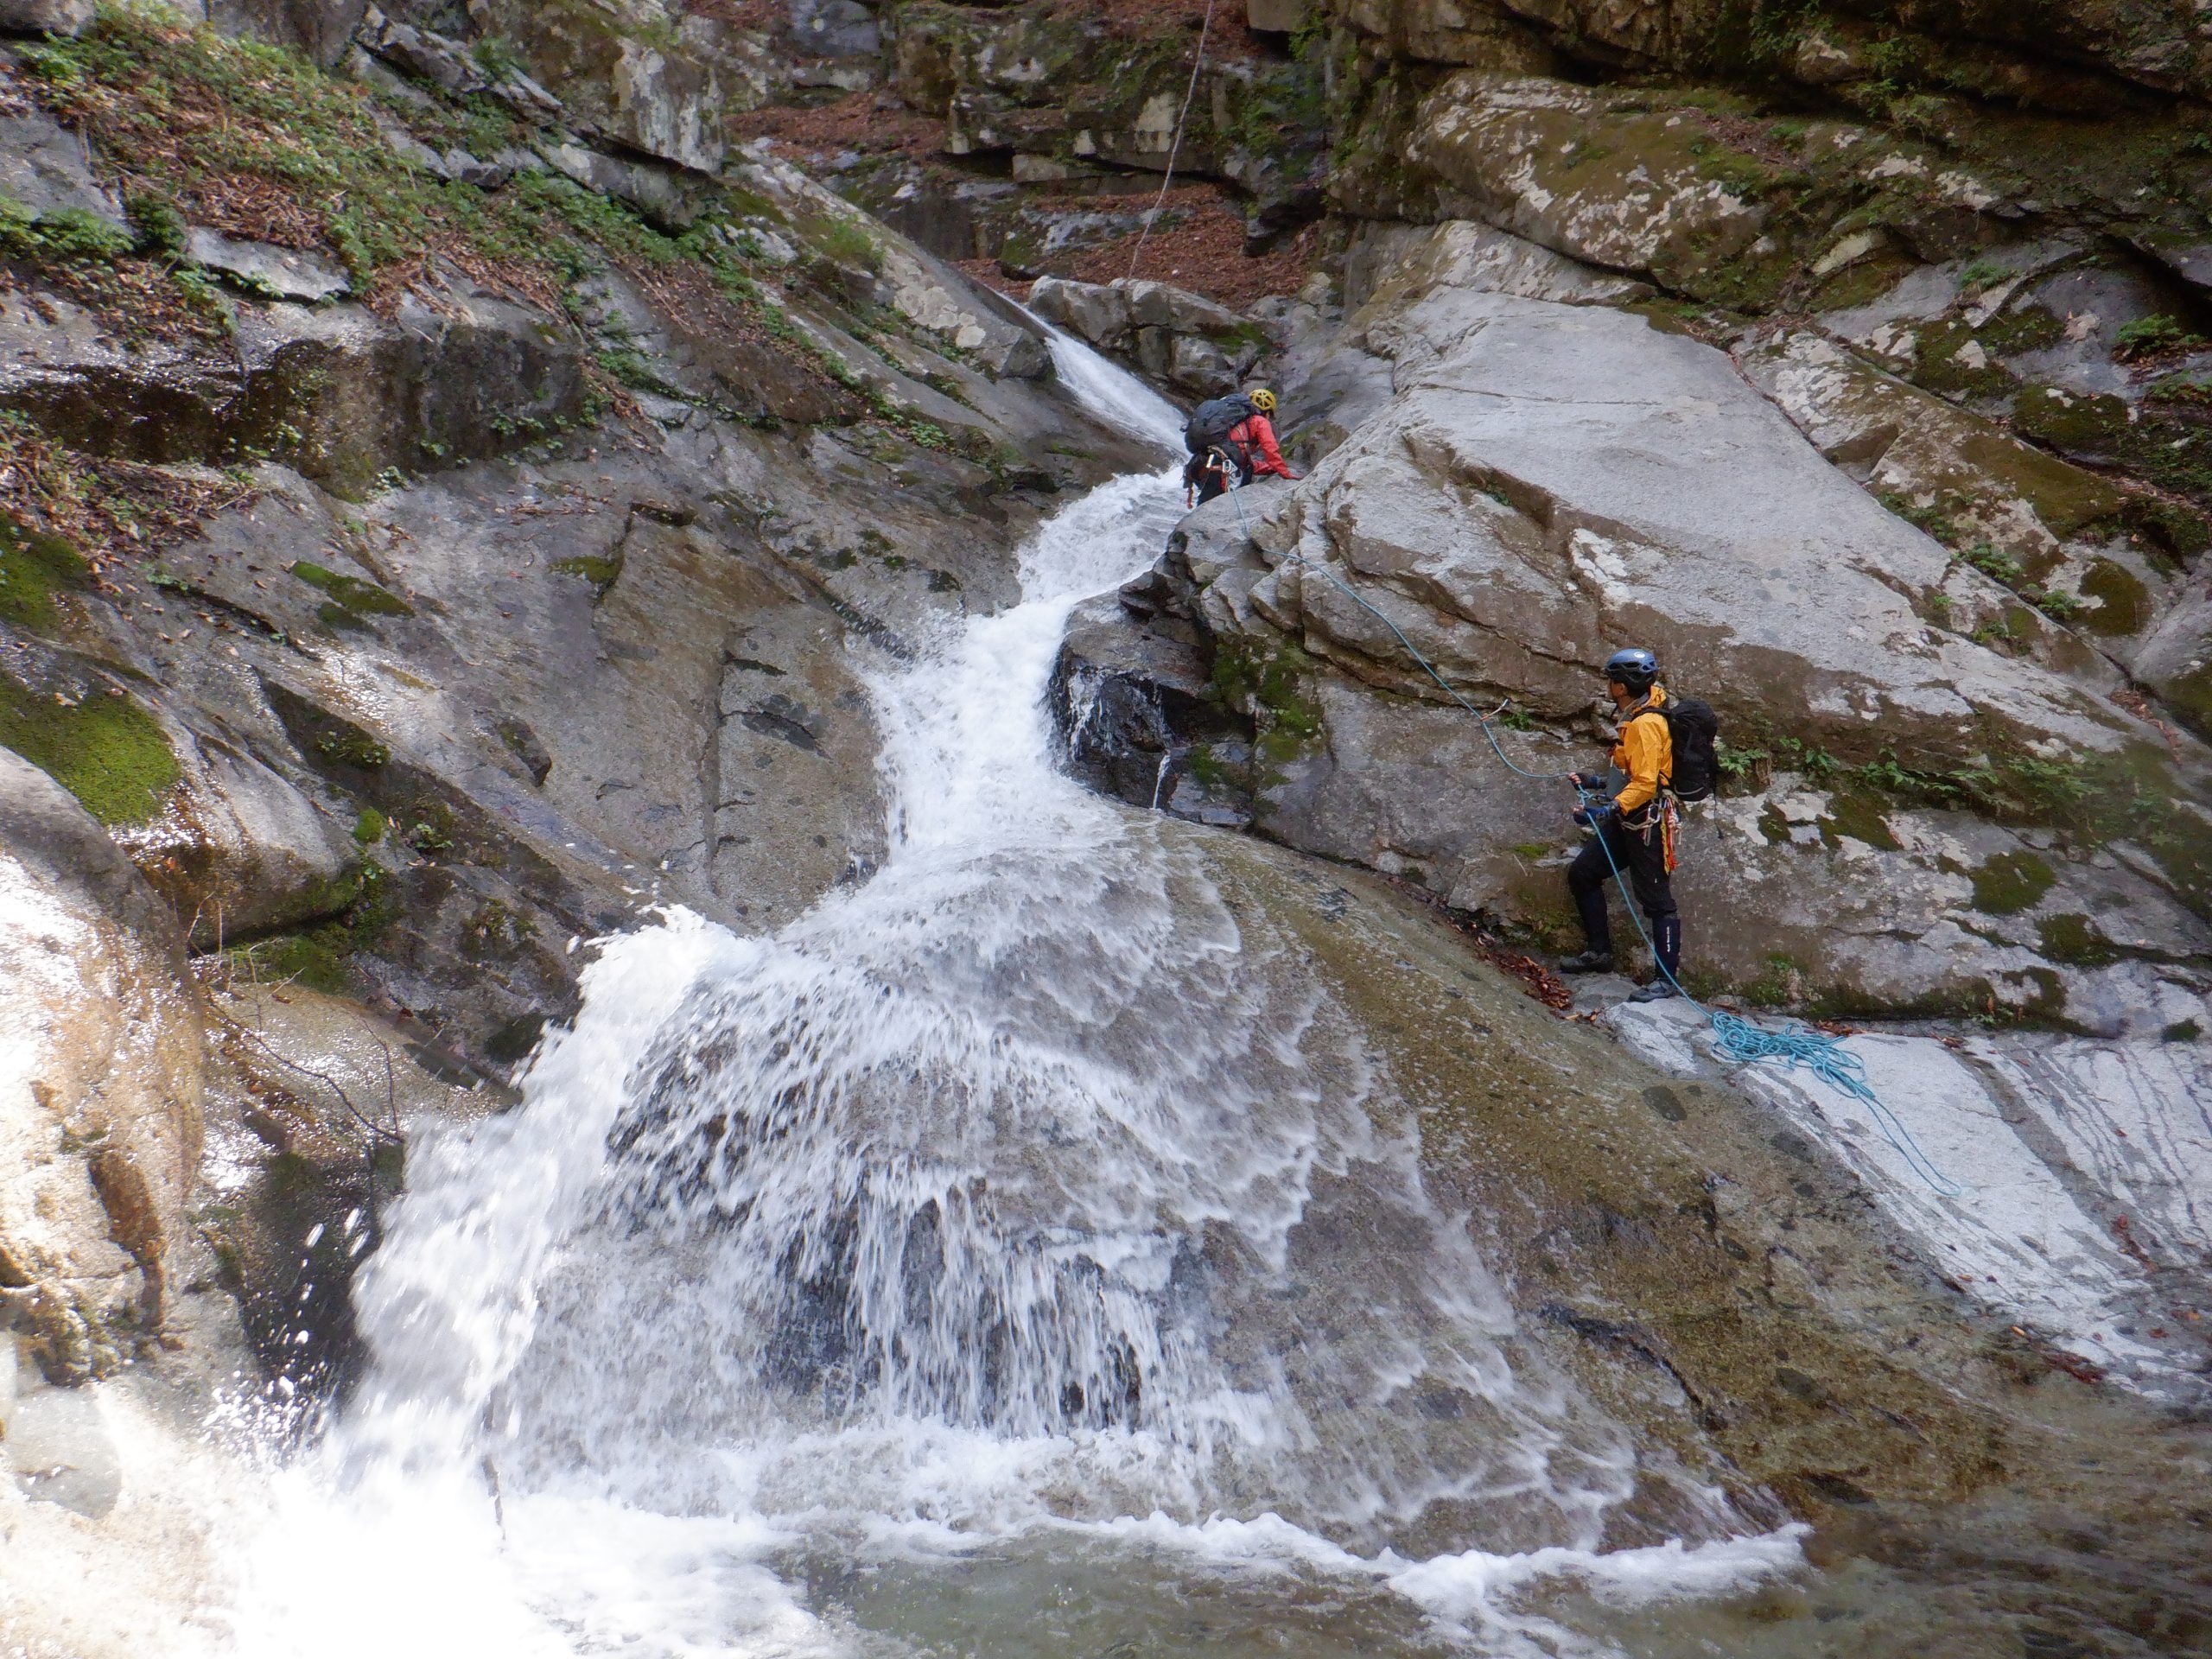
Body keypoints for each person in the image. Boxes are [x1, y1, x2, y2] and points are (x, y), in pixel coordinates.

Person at [1559, 647, 1683, 1003]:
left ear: (1623, 685)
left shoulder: (1645, 724)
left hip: (1647, 824)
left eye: (1612, 679)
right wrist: (1597, 783)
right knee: (1584, 872)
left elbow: (1646, 784)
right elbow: (1635, 772)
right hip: (1629, 817)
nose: (1609, 685)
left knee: (1658, 903)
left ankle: (1666, 981)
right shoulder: (1637, 713)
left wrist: (1608, 810)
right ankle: (1599, 953)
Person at [1185, 387, 1301, 505]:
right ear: (1267, 412)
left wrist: (1270, 468)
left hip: (1202, 463)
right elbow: (1270, 447)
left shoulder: (1232, 424)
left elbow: (1246, 464)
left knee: (1206, 504)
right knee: (1214, 506)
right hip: (1223, 466)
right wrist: (1284, 472)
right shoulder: (1259, 421)